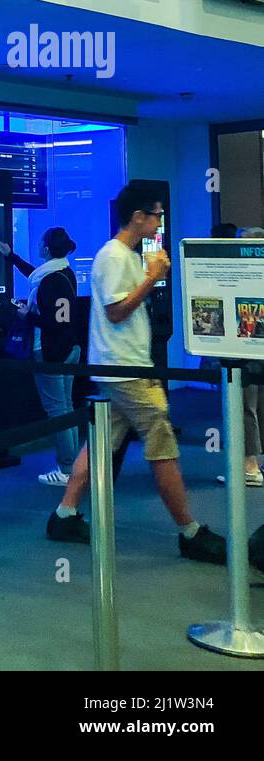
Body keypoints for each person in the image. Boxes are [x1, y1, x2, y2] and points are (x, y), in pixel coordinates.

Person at [46, 182, 226, 563]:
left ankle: (64, 514)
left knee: (101, 444)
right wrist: (152, 278)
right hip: (125, 370)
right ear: (137, 217)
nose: (159, 221)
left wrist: (148, 275)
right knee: (162, 446)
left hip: (123, 368)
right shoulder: (113, 256)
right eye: (156, 214)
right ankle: (189, 530)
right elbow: (115, 311)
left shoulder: (126, 255)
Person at [0, 229, 81, 486]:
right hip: (70, 349)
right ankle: (73, 466)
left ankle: (67, 469)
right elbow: (37, 275)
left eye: (40, 242)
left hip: (51, 351)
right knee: (66, 408)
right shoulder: (62, 272)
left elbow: (56, 321)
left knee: (57, 410)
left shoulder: (50, 280)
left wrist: (27, 315)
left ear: (46, 248)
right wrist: (13, 257)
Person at [219, 226, 264, 487]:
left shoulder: (248, 277)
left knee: (245, 407)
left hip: (246, 353)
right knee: (253, 406)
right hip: (252, 351)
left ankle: (250, 466)